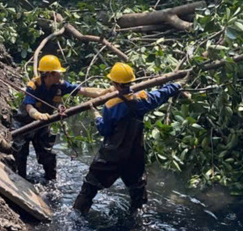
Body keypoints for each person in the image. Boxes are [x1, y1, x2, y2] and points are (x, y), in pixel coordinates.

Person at [73, 62, 184, 214]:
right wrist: (176, 85)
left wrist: (96, 115)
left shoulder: (111, 106)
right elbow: (161, 95)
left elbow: (105, 130)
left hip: (112, 156)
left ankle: (77, 217)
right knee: (138, 190)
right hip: (134, 156)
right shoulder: (142, 99)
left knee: (89, 187)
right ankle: (138, 219)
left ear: (115, 83)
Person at [11, 55, 105, 181]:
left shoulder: (60, 86)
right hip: (24, 123)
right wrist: (37, 115)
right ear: (49, 74)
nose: (60, 75)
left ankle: (51, 182)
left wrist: (106, 92)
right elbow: (28, 106)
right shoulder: (33, 86)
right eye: (58, 73)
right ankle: (20, 179)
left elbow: (83, 90)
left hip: (42, 125)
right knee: (20, 152)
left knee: (47, 155)